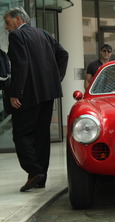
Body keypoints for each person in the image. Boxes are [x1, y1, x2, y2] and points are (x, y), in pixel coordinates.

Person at [3, 7, 69, 192]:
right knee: (41, 136)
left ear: (18, 20)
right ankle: (40, 178)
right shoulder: (44, 34)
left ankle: (34, 171)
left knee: (21, 134)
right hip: (48, 94)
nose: (6, 27)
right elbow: (63, 54)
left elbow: (21, 65)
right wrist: (56, 78)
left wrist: (16, 93)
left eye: (7, 22)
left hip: (28, 96)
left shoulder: (17, 36)